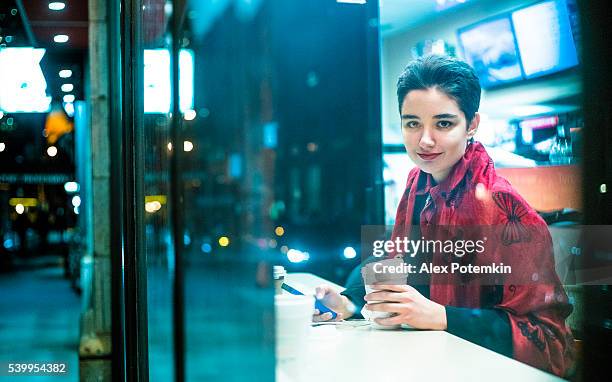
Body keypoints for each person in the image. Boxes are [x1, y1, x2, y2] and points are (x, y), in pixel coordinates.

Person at [312, 55, 575, 377]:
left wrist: (440, 316)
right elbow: (401, 266)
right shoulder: (418, 183)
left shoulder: (504, 208)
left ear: (472, 124)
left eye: (444, 123)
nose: (424, 140)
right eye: (412, 123)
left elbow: (549, 343)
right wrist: (349, 303)